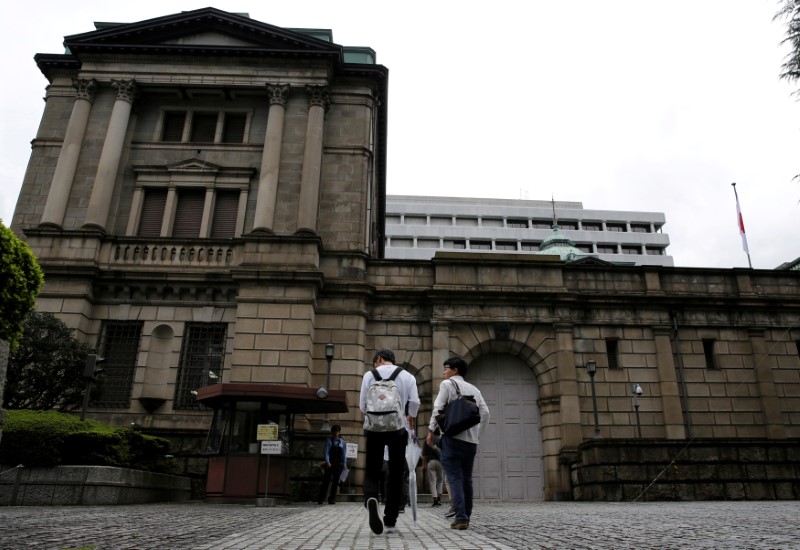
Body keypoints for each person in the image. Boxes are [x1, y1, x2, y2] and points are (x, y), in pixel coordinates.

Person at [360, 348, 420, 535]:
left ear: (378, 359)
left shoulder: (369, 375)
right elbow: (416, 402)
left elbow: (363, 405)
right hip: (397, 428)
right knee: (395, 474)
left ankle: (371, 498)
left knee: (372, 469)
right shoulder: (407, 376)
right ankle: (390, 521)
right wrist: (410, 416)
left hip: (374, 428)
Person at [427, 356, 490, 530]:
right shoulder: (474, 389)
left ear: (455, 370)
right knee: (467, 480)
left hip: (452, 439)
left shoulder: (447, 385)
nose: (443, 372)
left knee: (454, 478)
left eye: (446, 368)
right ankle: (466, 516)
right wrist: (477, 435)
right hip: (470, 443)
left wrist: (431, 431)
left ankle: (460, 517)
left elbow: (438, 408)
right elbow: (485, 413)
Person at [317, 425, 347, 505]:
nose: (335, 433)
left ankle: (332, 499)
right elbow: (326, 452)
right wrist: (327, 461)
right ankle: (321, 498)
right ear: (332, 432)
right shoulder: (329, 440)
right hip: (330, 463)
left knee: (335, 482)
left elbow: (344, 454)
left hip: (338, 464)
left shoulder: (342, 442)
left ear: (339, 432)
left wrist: (344, 463)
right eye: (334, 431)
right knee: (326, 481)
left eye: (337, 431)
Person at [423, 433, 444, 506]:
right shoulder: (440, 439)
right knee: (440, 481)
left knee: (432, 481)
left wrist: (424, 465)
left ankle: (435, 500)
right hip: (440, 462)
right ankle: (439, 498)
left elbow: (424, 455)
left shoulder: (427, 440)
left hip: (431, 462)